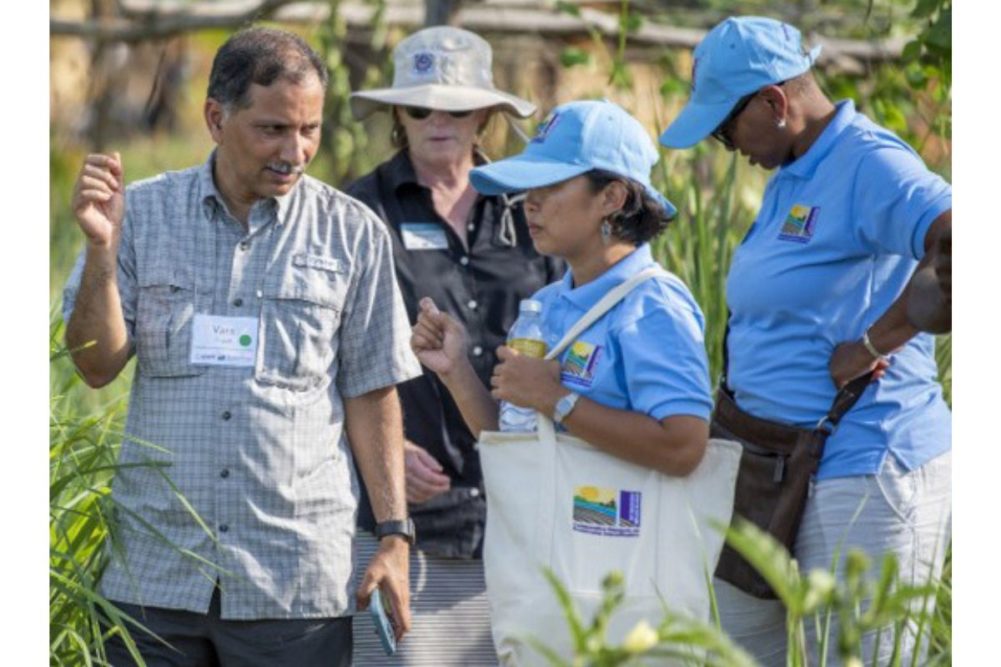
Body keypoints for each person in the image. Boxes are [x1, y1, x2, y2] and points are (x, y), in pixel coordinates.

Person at [62, 27, 423, 666]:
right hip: (155, 574)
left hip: (293, 582)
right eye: (274, 129)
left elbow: (373, 392)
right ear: (215, 118)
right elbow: (95, 366)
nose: (297, 150)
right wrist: (100, 250)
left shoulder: (353, 234)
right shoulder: (139, 216)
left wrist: (394, 535)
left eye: (309, 129)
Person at [659, 16, 952, 666]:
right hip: (772, 461)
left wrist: (875, 339)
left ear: (773, 102)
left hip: (865, 464)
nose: (718, 141)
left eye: (722, 124)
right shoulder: (795, 169)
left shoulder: (869, 162)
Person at [345, 26, 563, 664]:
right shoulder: (357, 213)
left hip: (526, 515)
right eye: (420, 106)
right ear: (396, 115)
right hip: (406, 524)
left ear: (487, 115)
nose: (438, 121)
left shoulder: (536, 211)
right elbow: (324, 356)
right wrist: (383, 452)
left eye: (458, 107)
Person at [411, 98, 712, 525]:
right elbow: (514, 438)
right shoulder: (547, 304)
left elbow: (684, 448)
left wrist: (557, 399)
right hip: (551, 560)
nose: (528, 203)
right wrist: (455, 370)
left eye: (549, 186)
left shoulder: (653, 305)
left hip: (622, 573)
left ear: (612, 196)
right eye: (528, 188)